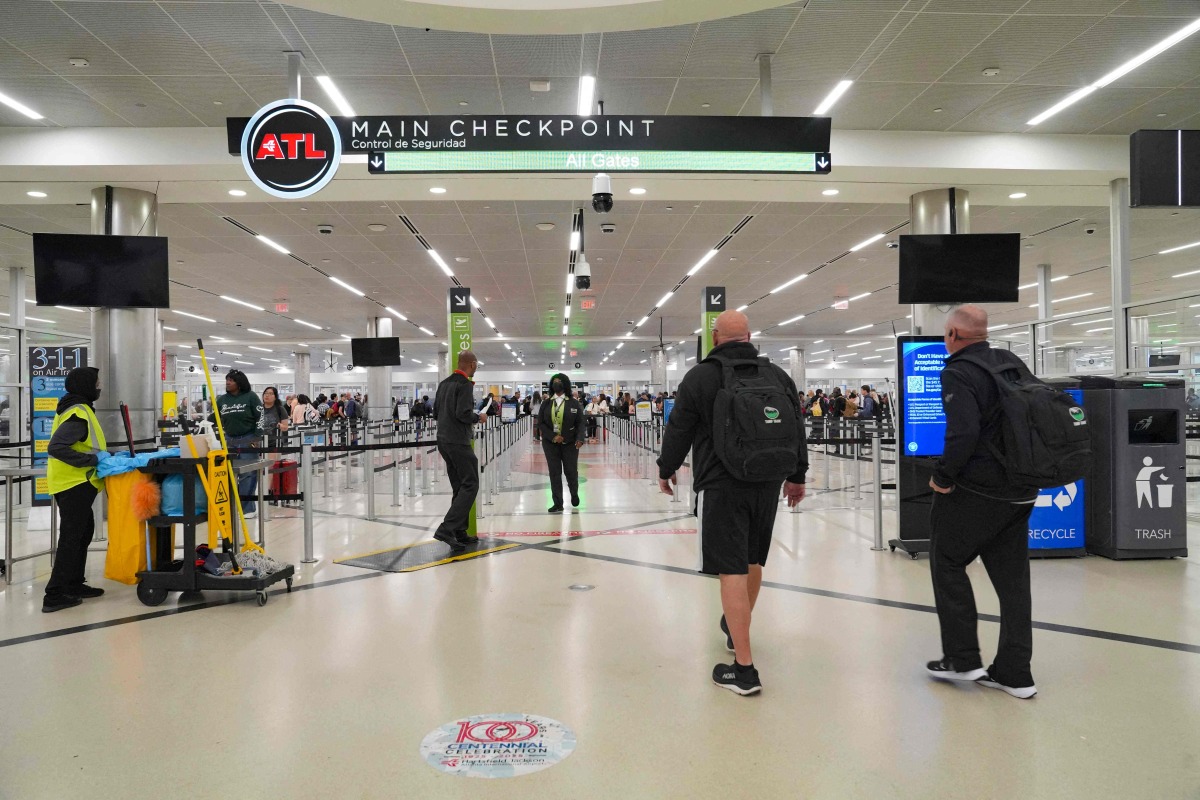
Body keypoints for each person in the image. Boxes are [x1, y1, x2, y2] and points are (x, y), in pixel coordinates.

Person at [657, 310, 808, 696]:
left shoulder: (701, 376)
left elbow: (680, 428)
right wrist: (797, 476)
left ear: (714, 336)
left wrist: (666, 468)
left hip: (721, 484)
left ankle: (743, 670)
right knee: (753, 560)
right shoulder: (777, 376)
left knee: (730, 570)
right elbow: (796, 426)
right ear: (750, 336)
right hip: (768, 480)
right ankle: (734, 627)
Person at [926, 304, 1039, 700]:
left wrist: (943, 477)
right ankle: (1015, 672)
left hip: (979, 491)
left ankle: (962, 658)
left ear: (954, 335)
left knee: (948, 561)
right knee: (1013, 583)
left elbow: (963, 431)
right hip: (1022, 489)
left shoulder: (958, 370)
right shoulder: (1011, 362)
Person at [43, 367, 109, 613]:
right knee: (72, 537)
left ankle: (73, 583)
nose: (99, 386)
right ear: (86, 386)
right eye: (97, 382)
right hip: (73, 483)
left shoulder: (76, 407)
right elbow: (56, 447)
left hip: (76, 483)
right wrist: (92, 461)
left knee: (83, 532)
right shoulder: (78, 413)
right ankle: (55, 594)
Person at [433, 350, 488, 552]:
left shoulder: (444, 383)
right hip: (458, 441)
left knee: (459, 485)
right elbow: (463, 414)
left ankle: (459, 531)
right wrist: (478, 417)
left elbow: (436, 412)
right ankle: (447, 528)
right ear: (472, 364)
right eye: (476, 366)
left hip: (443, 441)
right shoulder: (464, 385)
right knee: (471, 484)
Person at [214, 369, 263, 517]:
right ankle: (231, 506)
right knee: (228, 473)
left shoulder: (251, 397)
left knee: (248, 474)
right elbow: (215, 416)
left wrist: (257, 437)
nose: (228, 383)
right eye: (227, 380)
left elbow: (260, 417)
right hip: (228, 439)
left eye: (231, 380)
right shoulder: (222, 400)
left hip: (248, 439)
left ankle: (247, 508)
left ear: (239, 383)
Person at [538, 372, 586, 512]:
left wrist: (580, 438)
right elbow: (541, 423)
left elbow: (581, 423)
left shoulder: (573, 403)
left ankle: (574, 493)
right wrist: (553, 436)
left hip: (570, 443)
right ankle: (558, 503)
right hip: (550, 444)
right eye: (554, 381)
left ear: (565, 384)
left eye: (559, 381)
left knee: (571, 471)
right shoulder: (546, 403)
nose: (556, 383)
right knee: (554, 472)